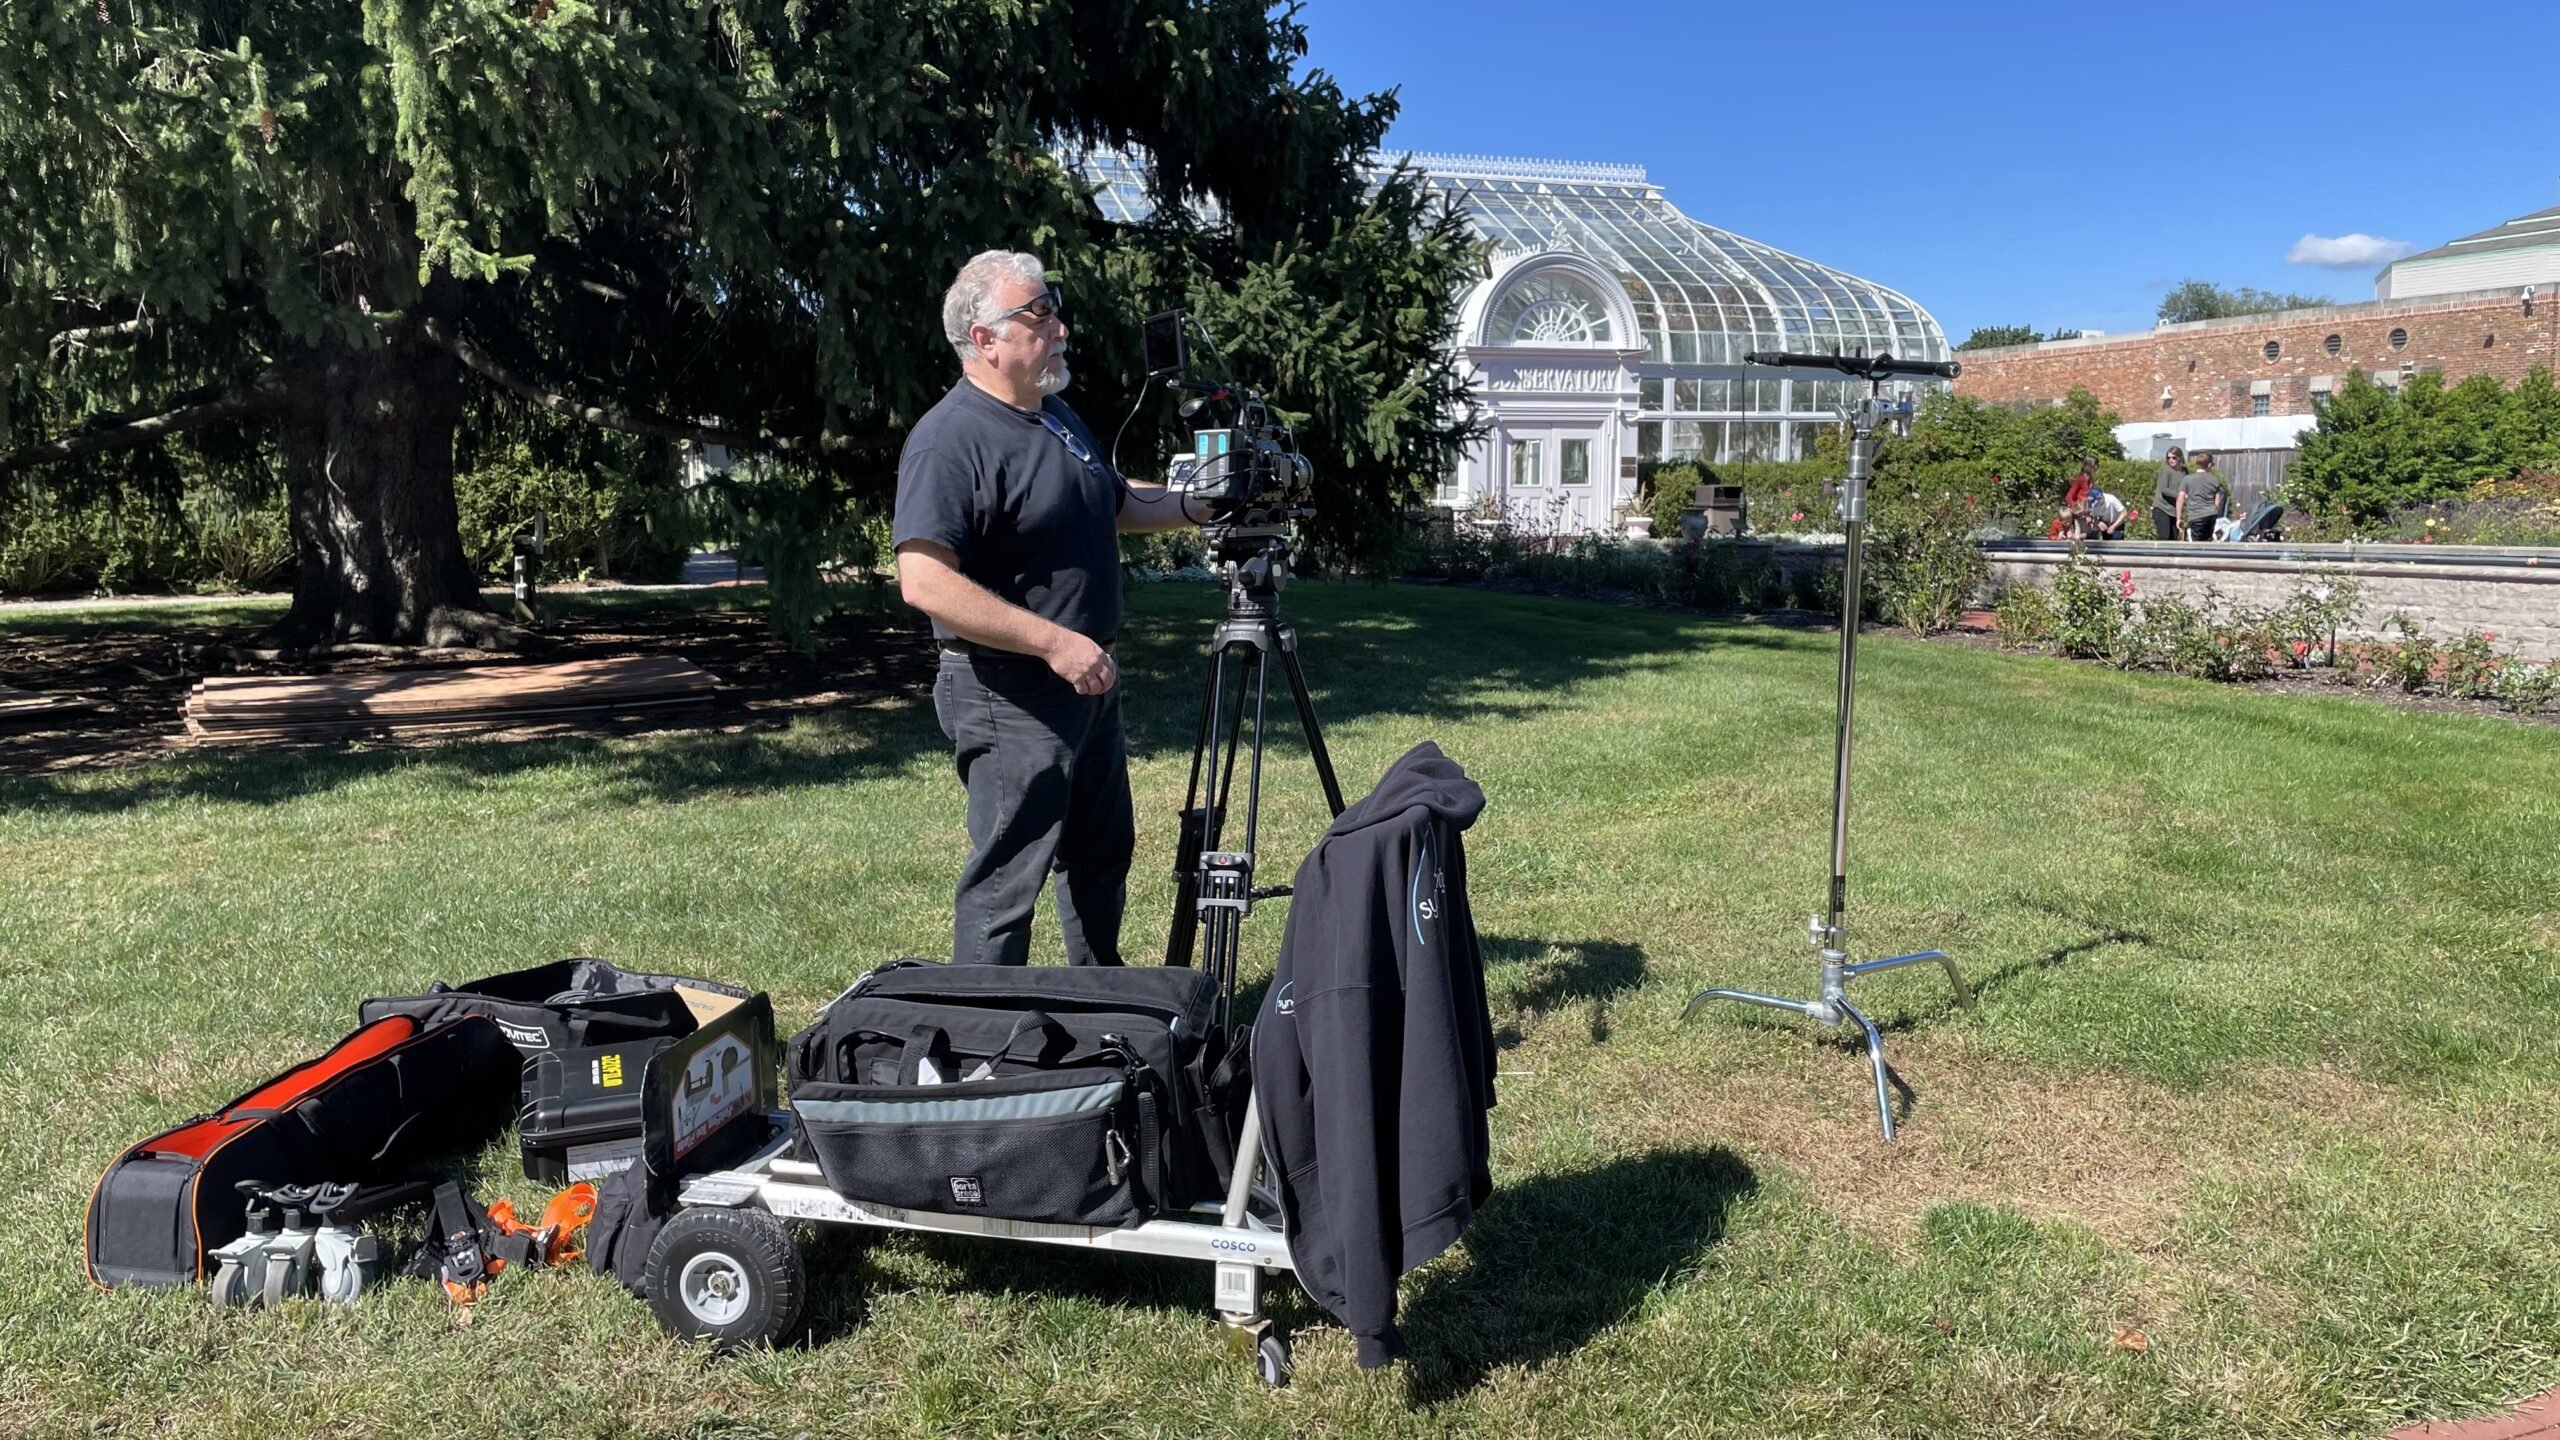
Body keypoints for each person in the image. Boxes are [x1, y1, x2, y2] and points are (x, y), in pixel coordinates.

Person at [892, 250, 1202, 967]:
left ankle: (1096, 1004)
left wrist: (1200, 505)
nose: (1059, 327)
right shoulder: (949, 439)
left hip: (1087, 683)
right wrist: (1054, 643)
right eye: (1038, 313)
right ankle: (982, 1043)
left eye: (1054, 309)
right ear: (984, 338)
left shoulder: (1053, 414)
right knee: (1008, 877)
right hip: (1010, 691)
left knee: (1100, 858)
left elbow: (1112, 497)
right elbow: (924, 581)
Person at [2178, 451, 2230, 542]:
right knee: (2207, 543)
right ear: (2209, 465)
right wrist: (2215, 512)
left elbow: (2180, 499)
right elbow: (2217, 501)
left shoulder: (2187, 479)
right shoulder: (2214, 480)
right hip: (2211, 514)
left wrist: (2179, 518)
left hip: (2196, 516)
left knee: (2195, 544)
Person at [2050, 456, 2097, 539]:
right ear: (2089, 465)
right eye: (2095, 464)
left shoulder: (2091, 481)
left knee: (2091, 535)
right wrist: (2077, 510)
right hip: (2079, 515)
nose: (2097, 467)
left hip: (2087, 514)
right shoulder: (2080, 479)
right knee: (2079, 537)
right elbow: (2069, 497)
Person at [2151, 446, 2188, 540]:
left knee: (2174, 537)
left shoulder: (2184, 471)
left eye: (2174, 457)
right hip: (2162, 508)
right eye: (2169, 458)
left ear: (2180, 457)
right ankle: (2160, 555)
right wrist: (2180, 496)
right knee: (2164, 536)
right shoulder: (2166, 470)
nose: (2171, 460)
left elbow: (2187, 486)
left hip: (2175, 510)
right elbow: (2164, 489)